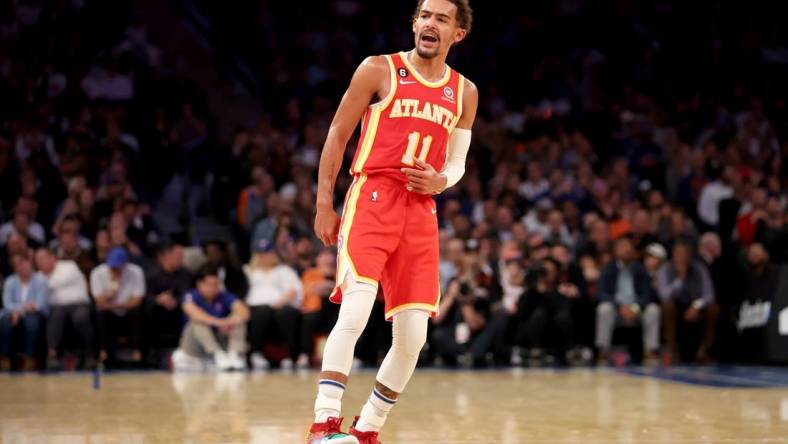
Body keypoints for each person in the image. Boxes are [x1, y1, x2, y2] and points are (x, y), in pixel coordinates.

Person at [307, 0, 478, 442]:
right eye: (424, 16)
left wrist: (440, 181)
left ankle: (367, 429)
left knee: (413, 338)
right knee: (356, 310)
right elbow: (337, 133)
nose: (429, 24)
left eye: (441, 19)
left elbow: (457, 164)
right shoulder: (378, 69)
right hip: (373, 198)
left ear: (458, 33)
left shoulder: (464, 92)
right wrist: (324, 203)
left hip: (421, 212)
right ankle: (324, 423)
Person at [594, 237, 660, 364]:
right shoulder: (608, 268)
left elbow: (646, 295)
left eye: (629, 247)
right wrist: (620, 307)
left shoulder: (640, 269)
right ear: (615, 251)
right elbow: (601, 293)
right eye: (623, 247)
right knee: (604, 309)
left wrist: (634, 308)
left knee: (653, 310)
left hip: (636, 309)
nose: (627, 250)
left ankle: (650, 351)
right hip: (616, 309)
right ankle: (604, 351)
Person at [172, 266, 249, 372]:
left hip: (219, 338)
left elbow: (244, 312)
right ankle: (216, 354)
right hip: (194, 343)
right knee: (198, 322)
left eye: (216, 284)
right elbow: (194, 314)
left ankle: (234, 354)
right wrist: (219, 323)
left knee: (238, 321)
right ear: (199, 284)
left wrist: (229, 321)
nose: (213, 288)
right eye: (209, 284)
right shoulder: (190, 296)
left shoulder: (224, 296)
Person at [245, 239, 304, 370]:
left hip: (279, 305)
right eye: (261, 254)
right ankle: (256, 353)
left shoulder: (284, 270)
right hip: (255, 307)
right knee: (261, 313)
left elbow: (293, 290)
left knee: (287, 314)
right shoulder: (249, 271)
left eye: (267, 254)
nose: (264, 257)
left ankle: (289, 355)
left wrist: (278, 303)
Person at [656, 241, 719, 363]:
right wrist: (680, 278)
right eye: (678, 253)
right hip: (676, 307)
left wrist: (696, 307)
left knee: (713, 309)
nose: (682, 257)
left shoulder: (699, 268)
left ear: (690, 256)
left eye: (685, 254)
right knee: (667, 307)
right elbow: (664, 295)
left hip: (695, 306)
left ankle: (704, 350)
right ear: (673, 254)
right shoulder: (665, 269)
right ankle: (672, 350)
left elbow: (709, 295)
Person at [34, 248, 95, 369]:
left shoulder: (68, 266)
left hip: (78, 303)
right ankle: (52, 356)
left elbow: (55, 283)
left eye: (42, 259)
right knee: (55, 316)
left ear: (52, 258)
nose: (39, 263)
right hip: (57, 307)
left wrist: (44, 280)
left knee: (81, 318)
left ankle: (90, 355)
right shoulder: (39, 276)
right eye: (36, 260)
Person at [89, 247, 146, 365]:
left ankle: (136, 351)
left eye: (118, 267)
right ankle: (102, 351)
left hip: (128, 311)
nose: (115, 269)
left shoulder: (136, 271)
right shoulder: (97, 273)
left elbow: (137, 300)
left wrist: (115, 305)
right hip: (109, 312)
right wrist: (112, 291)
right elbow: (99, 301)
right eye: (112, 266)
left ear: (125, 264)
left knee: (138, 312)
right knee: (100, 314)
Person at [0, 252, 48, 371]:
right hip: (13, 313)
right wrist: (21, 309)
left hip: (34, 314)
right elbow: (7, 303)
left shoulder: (40, 280)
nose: (23, 269)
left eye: (26, 266)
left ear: (31, 266)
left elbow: (40, 304)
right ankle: (4, 357)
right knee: (5, 322)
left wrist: (20, 310)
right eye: (20, 266)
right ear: (16, 268)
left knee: (32, 322)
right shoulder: (10, 281)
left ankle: (30, 357)